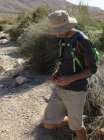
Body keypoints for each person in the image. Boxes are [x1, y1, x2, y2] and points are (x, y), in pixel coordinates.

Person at [42, 10, 98, 140]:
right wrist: (57, 72)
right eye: (56, 30)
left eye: (60, 30)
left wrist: (70, 79)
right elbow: (66, 60)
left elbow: (93, 69)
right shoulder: (63, 37)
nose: (57, 34)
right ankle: (75, 119)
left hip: (76, 91)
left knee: (77, 127)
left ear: (68, 25)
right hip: (59, 89)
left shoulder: (83, 41)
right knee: (48, 123)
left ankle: (76, 122)